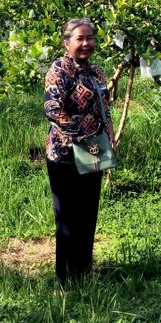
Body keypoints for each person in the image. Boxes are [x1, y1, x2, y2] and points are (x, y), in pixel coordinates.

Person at [43, 18, 115, 284]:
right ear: (66, 43)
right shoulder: (59, 69)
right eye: (80, 39)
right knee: (67, 217)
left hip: (93, 149)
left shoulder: (97, 72)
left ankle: (83, 271)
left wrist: (109, 134)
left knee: (87, 213)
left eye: (90, 38)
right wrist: (80, 135)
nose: (86, 43)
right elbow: (52, 109)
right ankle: (65, 278)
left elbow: (105, 108)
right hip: (64, 154)